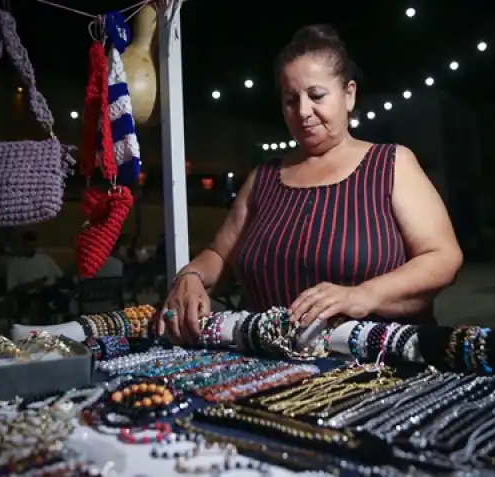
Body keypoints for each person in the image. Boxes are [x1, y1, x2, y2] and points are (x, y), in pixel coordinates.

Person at [158, 25, 463, 344]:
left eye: (316, 96)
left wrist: (365, 295)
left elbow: (442, 257)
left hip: (377, 367)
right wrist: (190, 276)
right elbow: (220, 256)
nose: (303, 112)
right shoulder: (264, 178)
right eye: (291, 100)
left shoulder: (391, 164)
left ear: (349, 94)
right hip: (268, 371)